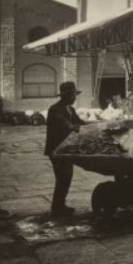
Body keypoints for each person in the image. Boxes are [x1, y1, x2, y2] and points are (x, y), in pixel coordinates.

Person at [45, 81, 84, 217]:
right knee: (62, 178)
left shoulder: (70, 109)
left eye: (75, 95)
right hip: (57, 150)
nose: (75, 98)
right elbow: (66, 125)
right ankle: (57, 208)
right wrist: (75, 127)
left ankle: (60, 205)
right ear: (65, 96)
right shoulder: (55, 109)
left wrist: (99, 124)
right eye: (73, 95)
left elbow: (80, 122)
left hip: (67, 149)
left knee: (67, 178)